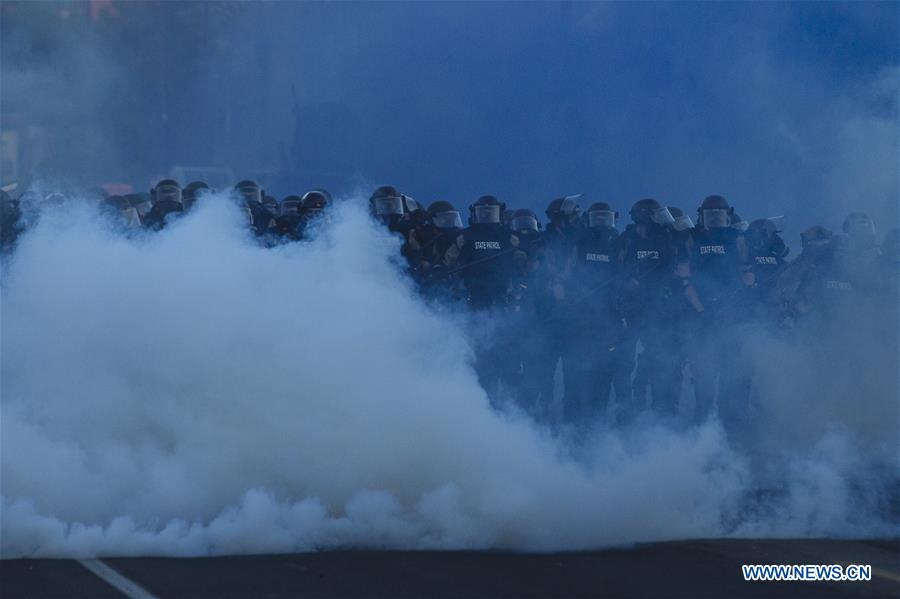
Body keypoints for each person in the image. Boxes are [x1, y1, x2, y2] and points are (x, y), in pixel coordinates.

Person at [443, 195, 525, 401]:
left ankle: (507, 405)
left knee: (507, 356)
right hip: (473, 304)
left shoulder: (510, 238)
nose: (487, 216)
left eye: (492, 212)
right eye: (483, 213)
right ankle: (478, 401)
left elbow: (524, 265)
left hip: (503, 304)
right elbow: (447, 264)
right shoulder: (465, 238)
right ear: (474, 214)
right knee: (477, 356)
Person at [683, 194, 752, 434]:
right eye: (709, 215)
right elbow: (685, 279)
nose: (714, 219)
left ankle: (730, 423)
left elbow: (746, 271)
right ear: (701, 216)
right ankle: (704, 423)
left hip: (731, 314)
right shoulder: (692, 238)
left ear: (728, 215)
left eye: (719, 215)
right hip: (702, 315)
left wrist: (743, 295)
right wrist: (701, 310)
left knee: (733, 370)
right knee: (703, 372)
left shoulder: (737, 238)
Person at [617, 198, 679, 422]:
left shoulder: (664, 238)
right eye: (654, 214)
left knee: (656, 357)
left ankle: (660, 410)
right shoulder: (626, 239)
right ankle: (626, 410)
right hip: (630, 308)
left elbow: (672, 269)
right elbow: (616, 269)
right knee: (624, 360)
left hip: (656, 309)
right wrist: (628, 282)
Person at [567, 202, 626, 425]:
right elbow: (569, 273)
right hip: (584, 316)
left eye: (606, 217)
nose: (601, 222)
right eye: (597, 217)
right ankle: (576, 419)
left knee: (606, 368)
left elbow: (623, 272)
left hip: (609, 316)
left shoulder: (618, 242)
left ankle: (599, 418)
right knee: (581, 369)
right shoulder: (580, 243)